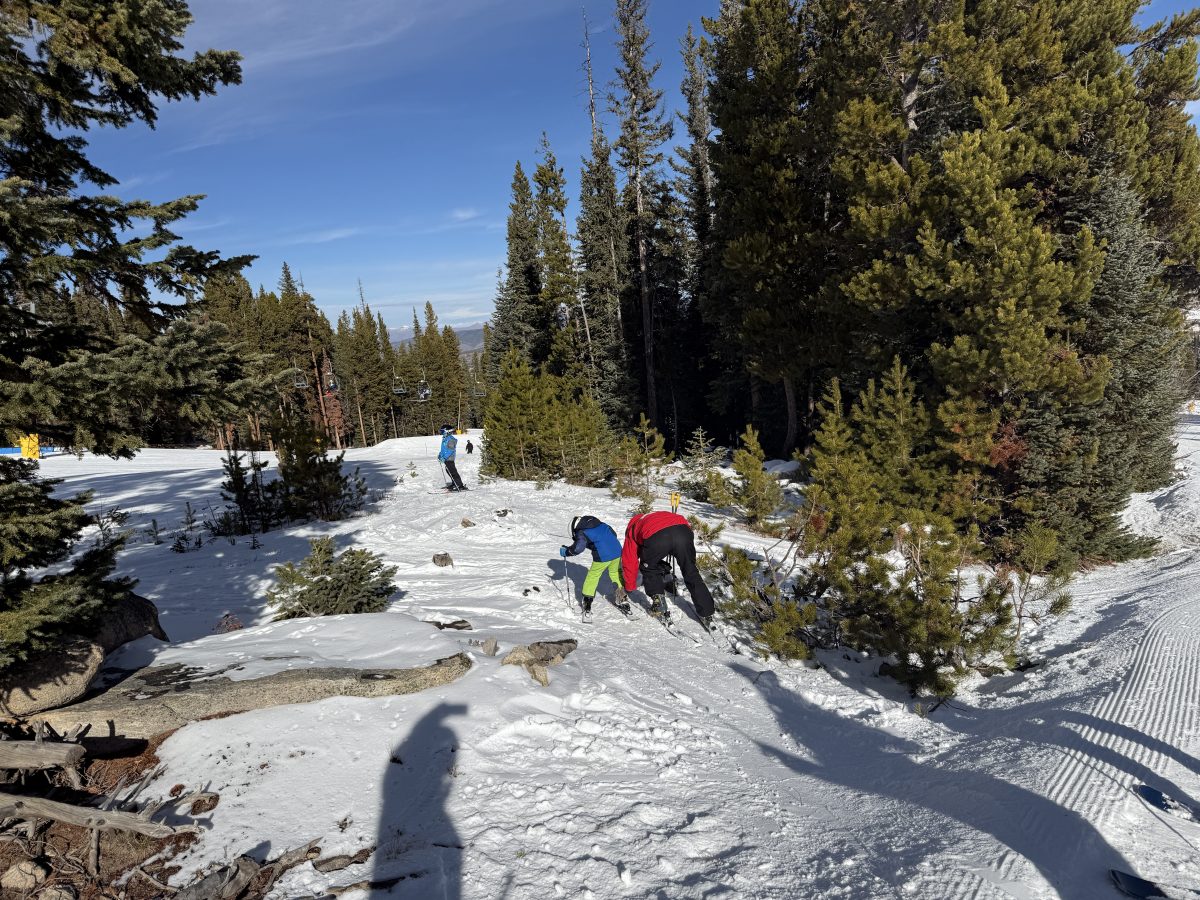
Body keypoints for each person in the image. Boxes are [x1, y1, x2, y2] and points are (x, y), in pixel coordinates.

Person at [621, 511, 714, 629]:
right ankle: (707, 611)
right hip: (683, 531)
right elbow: (680, 526)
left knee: (650, 568)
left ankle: (659, 604)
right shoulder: (655, 515)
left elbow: (629, 560)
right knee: (690, 570)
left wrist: (629, 586)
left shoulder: (632, 529)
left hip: (657, 537)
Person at [560, 515, 631, 618]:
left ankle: (587, 602)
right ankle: (622, 598)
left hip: (603, 555)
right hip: (617, 551)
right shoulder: (601, 524)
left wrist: (567, 551)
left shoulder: (581, 531)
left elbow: (579, 548)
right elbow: (613, 534)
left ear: (575, 528)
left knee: (593, 576)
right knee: (615, 573)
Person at [437, 424, 467, 491]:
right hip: (446, 458)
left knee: (453, 472)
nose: (442, 433)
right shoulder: (445, 439)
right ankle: (454, 483)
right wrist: (440, 455)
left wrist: (444, 457)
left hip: (449, 458)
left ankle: (459, 485)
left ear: (447, 431)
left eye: (442, 431)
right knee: (449, 470)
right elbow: (444, 449)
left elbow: (450, 450)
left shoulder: (450, 439)